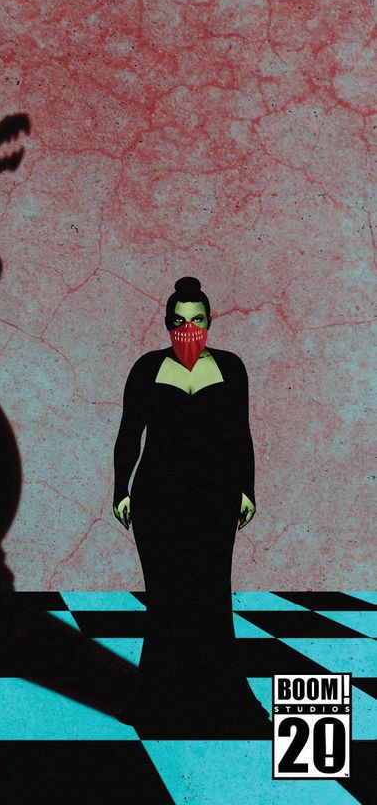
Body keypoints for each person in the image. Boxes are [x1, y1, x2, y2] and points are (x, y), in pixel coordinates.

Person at [112, 275, 269, 737]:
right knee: (166, 596)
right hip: (157, 496)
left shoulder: (231, 368)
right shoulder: (147, 368)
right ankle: (158, 700)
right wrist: (121, 489)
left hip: (215, 496)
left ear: (210, 322)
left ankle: (222, 699)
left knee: (211, 593)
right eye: (180, 321)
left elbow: (240, 433)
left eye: (197, 320)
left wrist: (247, 489)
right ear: (167, 324)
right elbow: (129, 434)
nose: (189, 329)